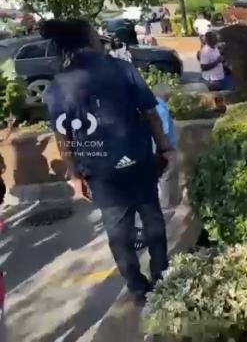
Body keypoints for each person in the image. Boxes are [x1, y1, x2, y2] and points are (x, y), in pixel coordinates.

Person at [40, 19, 173, 305]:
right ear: (88, 39)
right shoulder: (121, 69)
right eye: (94, 34)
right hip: (137, 158)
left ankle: (138, 287)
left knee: (118, 232)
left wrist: (74, 174)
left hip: (100, 168)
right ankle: (164, 277)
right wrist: (164, 147)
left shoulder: (59, 84)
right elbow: (150, 112)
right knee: (152, 219)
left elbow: (63, 135)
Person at [152, 83, 179, 209]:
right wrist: (167, 150)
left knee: (163, 176)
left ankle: (168, 202)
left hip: (155, 149)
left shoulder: (154, 106)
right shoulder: (161, 109)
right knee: (167, 176)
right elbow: (164, 132)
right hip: (165, 148)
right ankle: (166, 204)